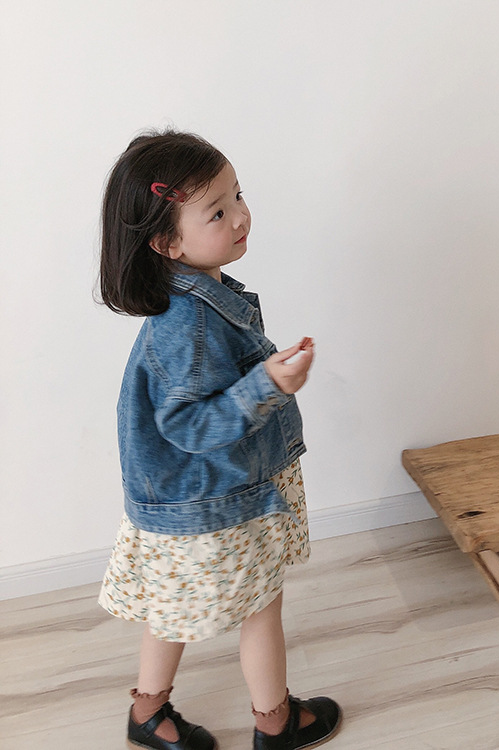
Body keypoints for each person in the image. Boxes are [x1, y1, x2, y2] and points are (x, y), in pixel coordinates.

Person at [97, 130, 342, 750]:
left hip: (194, 497)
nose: (241, 216)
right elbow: (189, 425)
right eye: (217, 211)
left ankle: (147, 713)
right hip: (216, 499)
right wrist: (267, 384)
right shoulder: (187, 321)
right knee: (261, 606)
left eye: (238, 196)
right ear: (166, 243)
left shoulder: (195, 296)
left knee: (169, 607)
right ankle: (276, 723)